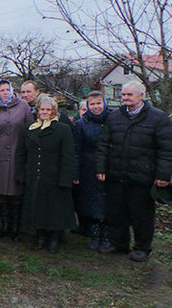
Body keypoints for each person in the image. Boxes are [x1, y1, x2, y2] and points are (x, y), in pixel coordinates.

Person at [96, 80, 172, 262]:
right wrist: (100, 167)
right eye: (123, 95)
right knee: (116, 212)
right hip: (116, 173)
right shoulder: (114, 117)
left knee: (142, 215)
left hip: (142, 176)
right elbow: (103, 145)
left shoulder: (158, 118)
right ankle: (118, 244)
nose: (125, 98)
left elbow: (167, 150)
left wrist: (163, 175)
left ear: (142, 96)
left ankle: (142, 248)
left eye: (129, 94)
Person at [16, 95, 77, 253]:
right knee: (37, 208)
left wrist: (66, 178)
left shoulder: (63, 129)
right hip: (34, 175)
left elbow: (68, 155)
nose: (44, 112)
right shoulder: (29, 128)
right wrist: (21, 174)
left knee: (54, 209)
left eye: (48, 110)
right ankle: (40, 236)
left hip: (54, 175)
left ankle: (54, 238)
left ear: (54, 112)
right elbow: (21, 153)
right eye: (42, 109)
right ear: (37, 111)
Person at [0, 79, 33, 242]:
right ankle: (4, 226)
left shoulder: (23, 106)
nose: (5, 92)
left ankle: (16, 228)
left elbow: (29, 129)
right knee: (1, 195)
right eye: (2, 90)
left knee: (16, 194)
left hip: (16, 156)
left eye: (7, 89)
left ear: (12, 90)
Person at [73, 91, 111, 250]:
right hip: (88, 167)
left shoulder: (113, 120)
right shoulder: (82, 124)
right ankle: (94, 234)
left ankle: (107, 235)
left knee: (108, 201)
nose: (96, 107)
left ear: (104, 103)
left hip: (109, 166)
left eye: (98, 103)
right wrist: (75, 172)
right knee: (91, 201)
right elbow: (76, 149)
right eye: (92, 104)